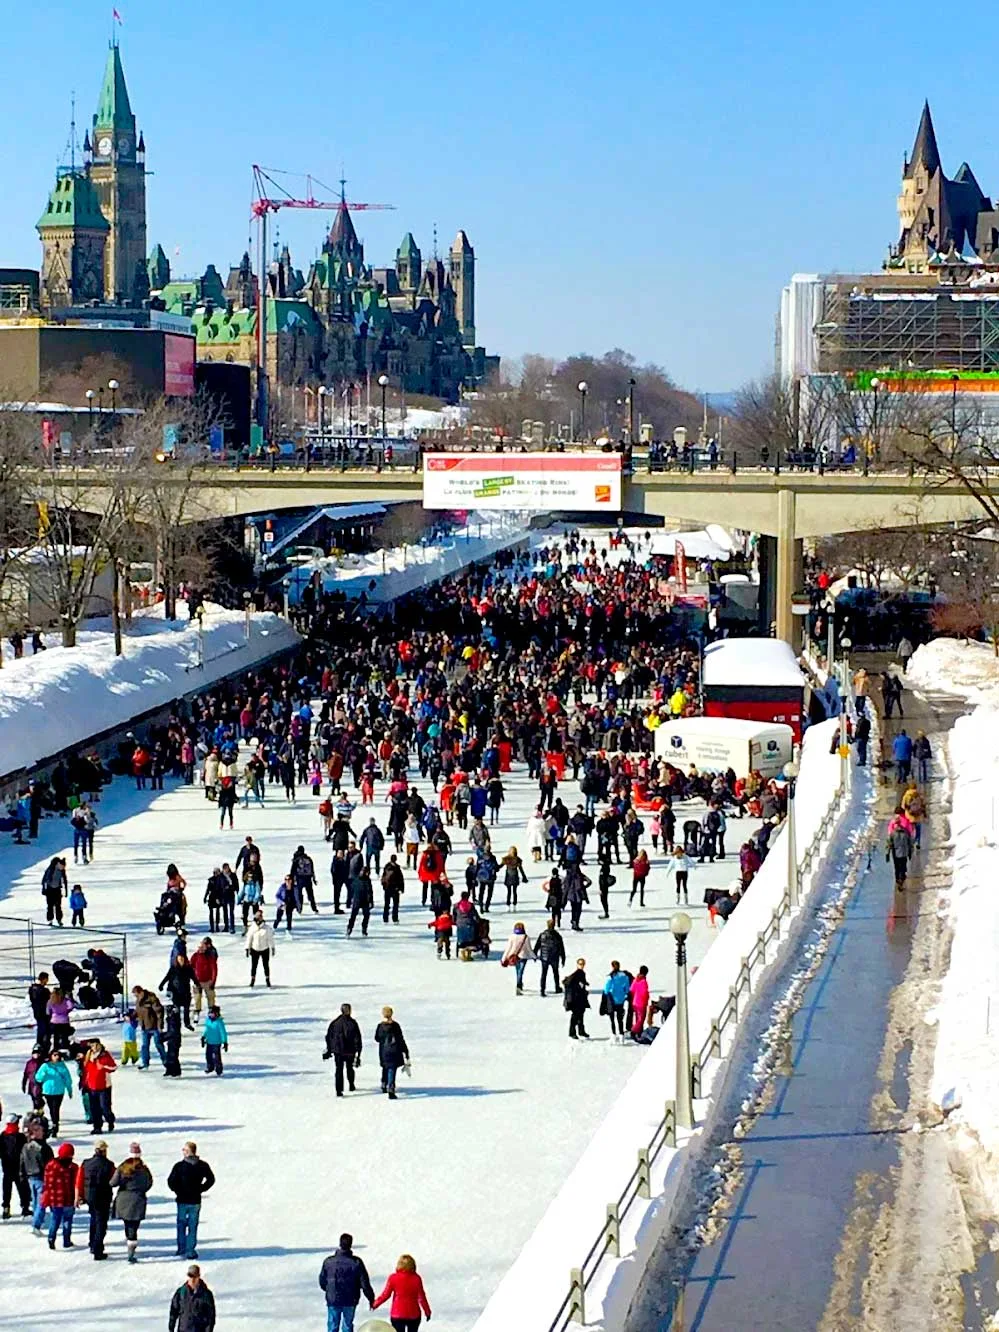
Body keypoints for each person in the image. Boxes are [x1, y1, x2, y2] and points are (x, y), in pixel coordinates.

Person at [167, 1140, 216, 1261]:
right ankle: (190, 1250)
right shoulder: (202, 1165)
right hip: (195, 1200)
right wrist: (201, 1189)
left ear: (188, 1151)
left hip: (183, 1200)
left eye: (184, 1149)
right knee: (193, 1226)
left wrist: (177, 1190)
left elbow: (171, 1181)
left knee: (181, 1224)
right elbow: (211, 1179)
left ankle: (182, 1248)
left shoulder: (179, 1166)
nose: (182, 1151)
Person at [319, 1232, 376, 1332]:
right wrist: (371, 1298)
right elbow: (364, 1283)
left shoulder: (328, 1262)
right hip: (350, 1299)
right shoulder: (356, 1262)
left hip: (333, 1298)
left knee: (332, 1325)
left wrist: (329, 1290)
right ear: (350, 1245)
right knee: (347, 1325)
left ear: (340, 1244)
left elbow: (322, 1280)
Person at [111, 1141, 153, 1263]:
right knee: (134, 1226)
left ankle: (130, 1242)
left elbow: (113, 1183)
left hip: (124, 1199)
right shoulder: (144, 1169)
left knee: (128, 1224)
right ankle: (131, 1244)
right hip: (138, 1200)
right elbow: (149, 1183)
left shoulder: (123, 1167)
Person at [371, 1253, 433, 1331]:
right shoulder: (416, 1279)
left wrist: (375, 1304)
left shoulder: (393, 1278)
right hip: (413, 1313)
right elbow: (421, 1297)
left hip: (397, 1314)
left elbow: (385, 1295)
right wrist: (427, 1312)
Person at [76, 1137, 114, 1260]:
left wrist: (79, 1196)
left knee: (94, 1218)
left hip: (89, 1196)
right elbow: (114, 1180)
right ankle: (97, 1248)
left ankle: (92, 1242)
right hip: (103, 1197)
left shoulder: (86, 1163)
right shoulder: (109, 1165)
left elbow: (79, 1180)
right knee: (101, 1223)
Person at [41, 1141, 77, 1250]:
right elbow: (76, 1183)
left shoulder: (50, 1165)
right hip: (69, 1199)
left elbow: (47, 1183)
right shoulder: (73, 1167)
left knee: (55, 1220)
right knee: (67, 1220)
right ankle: (66, 1241)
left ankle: (51, 1238)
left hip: (55, 1200)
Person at [325, 1003, 363, 1096]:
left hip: (338, 1051)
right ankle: (351, 1084)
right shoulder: (353, 1023)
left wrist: (330, 1049)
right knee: (349, 1068)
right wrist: (358, 1050)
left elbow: (329, 1037)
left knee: (339, 1069)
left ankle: (339, 1089)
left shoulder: (335, 1023)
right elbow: (357, 1037)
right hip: (350, 1050)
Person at [81, 1040, 116, 1135]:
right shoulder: (89, 1055)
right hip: (92, 1087)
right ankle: (97, 1127)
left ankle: (110, 1120)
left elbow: (114, 1067)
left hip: (104, 1086)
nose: (95, 1048)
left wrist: (103, 1067)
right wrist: (84, 1084)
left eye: (96, 1045)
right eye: (93, 1046)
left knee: (105, 1107)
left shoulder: (105, 1055)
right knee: (94, 1108)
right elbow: (86, 1072)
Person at [168, 1263, 217, 1332]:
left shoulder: (206, 1294)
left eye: (194, 1276)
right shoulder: (181, 1292)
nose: (192, 1279)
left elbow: (210, 1316)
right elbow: (174, 1311)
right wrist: (171, 1327)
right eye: (190, 1276)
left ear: (199, 1276)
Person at [374, 1006, 409, 1100]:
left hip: (384, 1051)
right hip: (395, 1050)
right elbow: (401, 1039)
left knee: (385, 1067)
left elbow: (377, 1038)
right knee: (391, 1069)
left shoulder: (380, 1026)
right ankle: (391, 1088)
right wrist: (405, 1051)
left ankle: (384, 1083)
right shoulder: (396, 1026)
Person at [35, 1050, 73, 1134]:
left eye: (58, 1055)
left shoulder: (62, 1066)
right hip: (48, 1091)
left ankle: (55, 1124)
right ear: (51, 1056)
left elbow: (67, 1078)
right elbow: (38, 1078)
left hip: (59, 1091)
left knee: (55, 1108)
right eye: (55, 1055)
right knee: (51, 1108)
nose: (57, 1057)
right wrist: (43, 1074)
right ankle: (54, 1122)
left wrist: (69, 1090)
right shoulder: (45, 1066)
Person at [0, 1113, 30, 1219]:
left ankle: (6, 1208)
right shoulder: (20, 1136)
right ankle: (25, 1207)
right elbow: (25, 1151)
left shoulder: (3, 1136)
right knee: (23, 1188)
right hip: (19, 1168)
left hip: (7, 1167)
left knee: (6, 1189)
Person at [132, 985, 166, 1068]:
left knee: (158, 1044)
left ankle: (166, 1060)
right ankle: (145, 1062)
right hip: (144, 1027)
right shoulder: (138, 1000)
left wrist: (160, 1025)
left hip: (154, 1026)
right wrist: (131, 1016)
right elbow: (138, 1011)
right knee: (144, 1046)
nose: (135, 996)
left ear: (139, 992)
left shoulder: (151, 998)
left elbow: (159, 1011)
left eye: (135, 994)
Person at [534, 918, 565, 997]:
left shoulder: (542, 935)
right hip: (554, 957)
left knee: (544, 974)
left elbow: (537, 945)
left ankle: (542, 990)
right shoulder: (557, 935)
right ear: (554, 925)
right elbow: (561, 947)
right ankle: (557, 987)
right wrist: (563, 958)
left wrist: (534, 955)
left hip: (544, 957)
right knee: (555, 973)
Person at [501, 921, 534, 994]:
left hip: (514, 956)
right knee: (521, 971)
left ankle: (519, 984)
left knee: (518, 971)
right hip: (523, 957)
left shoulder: (512, 937)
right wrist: (534, 956)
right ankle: (519, 985)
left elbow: (508, 948)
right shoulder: (526, 937)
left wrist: (503, 958)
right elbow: (529, 949)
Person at [602, 960, 631, 1040]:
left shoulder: (610, 976)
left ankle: (614, 1034)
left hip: (612, 1000)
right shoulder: (624, 976)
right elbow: (627, 989)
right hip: (621, 1000)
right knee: (620, 1019)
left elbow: (606, 990)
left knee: (612, 1019)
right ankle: (621, 1035)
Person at [886, 808, 914, 888]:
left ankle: (898, 878)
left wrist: (887, 851)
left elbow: (889, 837)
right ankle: (902, 877)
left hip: (895, 849)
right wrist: (910, 850)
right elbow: (911, 835)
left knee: (896, 865)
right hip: (904, 848)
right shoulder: (907, 821)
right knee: (903, 863)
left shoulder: (892, 823)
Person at [190, 938, 218, 1017]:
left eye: (203, 947)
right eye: (200, 948)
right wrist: (193, 978)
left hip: (208, 981)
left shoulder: (210, 957)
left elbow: (214, 970)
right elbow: (190, 967)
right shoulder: (195, 956)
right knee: (197, 998)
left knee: (211, 996)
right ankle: (197, 1012)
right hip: (197, 981)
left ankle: (211, 1010)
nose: (201, 949)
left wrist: (213, 982)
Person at [246, 912, 275, 987]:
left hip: (264, 949)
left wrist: (272, 947)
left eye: (260, 917)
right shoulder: (252, 928)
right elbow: (249, 938)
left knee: (266, 965)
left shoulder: (267, 928)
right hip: (255, 949)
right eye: (257, 917)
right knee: (254, 965)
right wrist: (247, 948)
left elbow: (270, 938)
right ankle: (252, 979)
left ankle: (267, 979)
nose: (258, 919)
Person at [564, 958, 590, 1039]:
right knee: (575, 1016)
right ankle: (572, 1032)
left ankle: (581, 1031)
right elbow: (570, 984)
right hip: (575, 999)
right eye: (580, 964)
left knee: (581, 1014)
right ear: (577, 964)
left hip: (580, 998)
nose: (582, 965)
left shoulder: (582, 973)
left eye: (583, 964)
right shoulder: (576, 974)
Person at [201, 1005, 228, 1076]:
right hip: (209, 1042)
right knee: (208, 1055)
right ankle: (210, 1067)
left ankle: (219, 1069)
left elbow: (223, 1033)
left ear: (216, 1014)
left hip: (216, 1043)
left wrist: (225, 1042)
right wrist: (203, 1036)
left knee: (216, 1057)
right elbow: (207, 1029)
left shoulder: (219, 1022)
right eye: (209, 1013)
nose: (210, 1015)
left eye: (212, 1013)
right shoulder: (208, 1021)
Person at [42, 856, 68, 926]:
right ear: (59, 864)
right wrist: (44, 889)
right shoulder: (51, 869)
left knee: (58, 906)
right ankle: (50, 920)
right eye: (62, 866)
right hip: (50, 890)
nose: (63, 868)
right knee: (50, 906)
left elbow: (65, 880)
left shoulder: (62, 871)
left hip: (57, 890)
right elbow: (44, 879)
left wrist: (66, 891)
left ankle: (59, 919)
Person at [29, 971, 51, 1050]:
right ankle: (43, 1045)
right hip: (44, 1012)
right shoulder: (44, 990)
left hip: (37, 1012)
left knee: (40, 1028)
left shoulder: (32, 989)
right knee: (45, 1030)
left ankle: (39, 1044)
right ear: (44, 979)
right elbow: (49, 1001)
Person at [381, 855, 404, 924]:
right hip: (395, 888)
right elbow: (401, 879)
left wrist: (384, 886)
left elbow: (383, 877)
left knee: (386, 904)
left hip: (387, 888)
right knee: (395, 905)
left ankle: (385, 919)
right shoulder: (397, 868)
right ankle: (395, 919)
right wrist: (401, 888)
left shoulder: (386, 867)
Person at [629, 965, 650, 1039]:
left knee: (638, 1018)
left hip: (635, 1002)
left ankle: (639, 1031)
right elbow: (644, 993)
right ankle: (634, 1031)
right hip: (641, 1003)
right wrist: (647, 998)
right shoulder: (643, 981)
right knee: (641, 1019)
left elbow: (631, 989)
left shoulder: (636, 979)